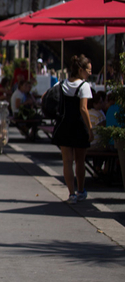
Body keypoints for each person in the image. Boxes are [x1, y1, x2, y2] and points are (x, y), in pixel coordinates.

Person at [50, 55, 94, 204]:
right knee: (80, 161)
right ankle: (81, 190)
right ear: (80, 70)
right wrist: (90, 129)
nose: (90, 74)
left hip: (64, 125)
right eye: (88, 70)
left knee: (67, 162)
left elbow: (48, 96)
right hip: (79, 126)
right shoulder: (84, 86)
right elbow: (83, 109)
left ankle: (71, 194)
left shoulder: (62, 84)